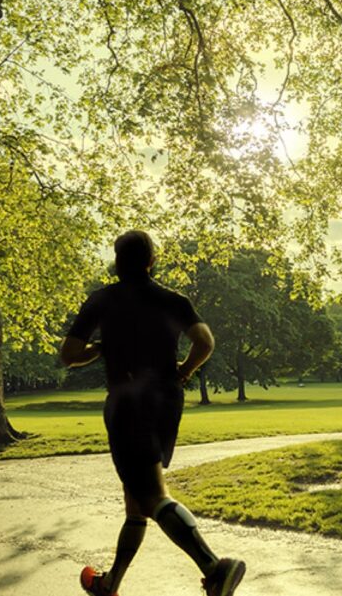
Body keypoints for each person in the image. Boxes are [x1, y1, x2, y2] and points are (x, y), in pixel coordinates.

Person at [60, 230, 246, 596]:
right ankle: (111, 582)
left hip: (127, 402)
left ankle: (214, 567)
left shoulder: (101, 300)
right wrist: (185, 370)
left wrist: (98, 349)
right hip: (166, 400)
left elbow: (69, 353)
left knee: (151, 495)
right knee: (136, 496)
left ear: (117, 261)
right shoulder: (173, 299)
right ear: (151, 261)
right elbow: (205, 342)